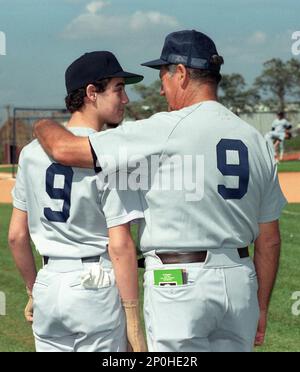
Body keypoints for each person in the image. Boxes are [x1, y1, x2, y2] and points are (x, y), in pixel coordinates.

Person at [33, 30, 287, 352]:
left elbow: (64, 149)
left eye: (163, 76)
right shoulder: (256, 140)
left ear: (180, 74)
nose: (162, 86)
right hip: (239, 282)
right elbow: (270, 238)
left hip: (179, 283)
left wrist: (41, 125)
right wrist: (261, 307)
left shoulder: (165, 128)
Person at [8, 51, 147, 352]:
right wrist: (133, 320)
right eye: (119, 88)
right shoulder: (110, 152)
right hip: (94, 285)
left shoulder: (31, 153)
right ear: (91, 93)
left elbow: (16, 237)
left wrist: (34, 290)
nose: (126, 99)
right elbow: (120, 245)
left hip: (48, 284)